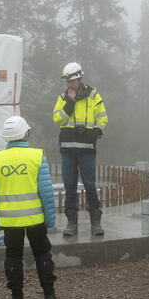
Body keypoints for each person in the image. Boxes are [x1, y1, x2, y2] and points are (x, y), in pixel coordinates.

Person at [0, 115, 58, 299]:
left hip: (10, 221)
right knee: (43, 255)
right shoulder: (37, 156)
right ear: (26, 134)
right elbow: (46, 191)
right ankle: (49, 296)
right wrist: (50, 219)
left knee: (13, 258)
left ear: (6, 138)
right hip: (36, 219)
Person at [52, 61, 109, 237]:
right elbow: (57, 119)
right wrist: (69, 104)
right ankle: (71, 222)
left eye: (72, 82)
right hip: (68, 150)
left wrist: (97, 132)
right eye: (68, 82)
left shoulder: (93, 95)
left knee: (90, 186)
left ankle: (95, 221)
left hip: (86, 149)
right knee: (70, 187)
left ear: (80, 79)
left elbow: (102, 117)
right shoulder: (63, 98)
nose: (70, 85)